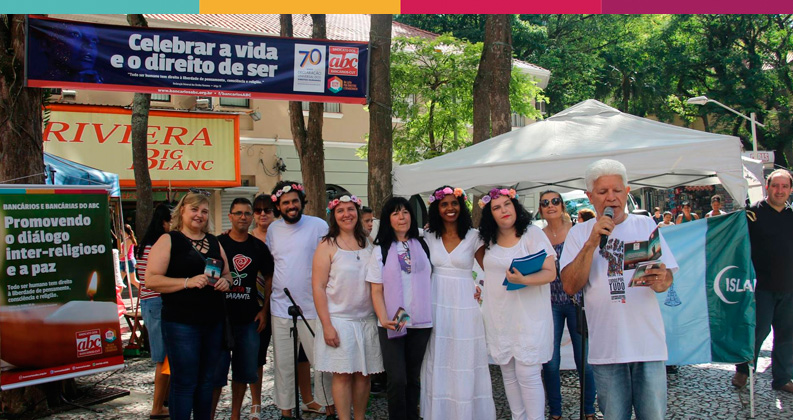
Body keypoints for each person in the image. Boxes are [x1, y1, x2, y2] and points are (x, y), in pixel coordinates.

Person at [560, 159, 678, 420]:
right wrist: (591, 242)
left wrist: (661, 279)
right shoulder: (579, 234)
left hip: (647, 345)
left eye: (616, 191)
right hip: (607, 348)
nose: (611, 198)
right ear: (590, 196)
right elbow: (569, 285)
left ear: (627, 192)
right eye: (602, 192)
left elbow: (666, 279)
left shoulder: (646, 226)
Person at [145, 191, 232, 420]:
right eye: (194, 209)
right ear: (182, 211)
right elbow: (151, 279)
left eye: (204, 211)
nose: (199, 215)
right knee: (184, 382)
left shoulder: (214, 241)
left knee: (206, 382)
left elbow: (227, 274)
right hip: (181, 323)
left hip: (213, 323)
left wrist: (226, 282)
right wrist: (186, 282)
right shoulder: (169, 240)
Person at [474, 187, 556, 420]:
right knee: (508, 374)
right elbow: (484, 268)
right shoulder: (486, 239)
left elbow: (550, 272)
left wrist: (524, 279)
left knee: (528, 373)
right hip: (499, 316)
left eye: (506, 204)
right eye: (496, 207)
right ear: (490, 213)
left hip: (529, 316)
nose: (503, 211)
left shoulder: (532, 234)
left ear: (515, 205)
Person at [420, 186, 496, 420]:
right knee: (438, 356)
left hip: (464, 305)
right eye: (444, 204)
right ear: (437, 208)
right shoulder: (428, 236)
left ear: (461, 206)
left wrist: (481, 288)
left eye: (454, 203)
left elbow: (490, 269)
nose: (450, 208)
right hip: (436, 302)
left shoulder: (474, 236)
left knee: (464, 356)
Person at [266, 181, 334, 419]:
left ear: (302, 201)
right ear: (279, 206)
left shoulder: (318, 225)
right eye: (286, 203)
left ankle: (330, 408)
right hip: (281, 307)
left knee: (323, 363)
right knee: (284, 365)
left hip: (314, 307)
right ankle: (286, 411)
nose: (291, 206)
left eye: (295, 201)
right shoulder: (273, 230)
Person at [313, 194, 383, 420]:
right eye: (340, 210)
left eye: (350, 209)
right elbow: (318, 287)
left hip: (367, 320)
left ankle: (360, 417)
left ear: (357, 211)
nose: (347, 214)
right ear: (334, 215)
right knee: (342, 375)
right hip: (339, 321)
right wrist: (327, 325)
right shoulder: (327, 245)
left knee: (364, 376)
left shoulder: (369, 243)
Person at [366, 197, 432, 420]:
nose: (402, 217)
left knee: (413, 378)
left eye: (405, 212)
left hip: (420, 321)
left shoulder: (423, 244)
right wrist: (383, 319)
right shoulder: (380, 250)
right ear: (388, 219)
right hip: (394, 320)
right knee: (397, 379)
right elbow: (376, 290)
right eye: (395, 213)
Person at [211, 198, 274, 420]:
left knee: (243, 372)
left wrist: (264, 311)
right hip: (219, 319)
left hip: (249, 320)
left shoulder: (259, 247)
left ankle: (235, 414)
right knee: (216, 373)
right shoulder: (217, 243)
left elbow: (268, 280)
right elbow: (210, 277)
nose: (243, 217)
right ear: (230, 216)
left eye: (247, 213)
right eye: (238, 213)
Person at [537, 190, 597, 420]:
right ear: (541, 209)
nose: (550, 205)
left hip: (577, 301)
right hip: (549, 303)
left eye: (555, 201)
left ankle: (589, 410)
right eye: (545, 203)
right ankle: (555, 412)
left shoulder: (576, 232)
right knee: (550, 362)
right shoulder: (538, 235)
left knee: (585, 361)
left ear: (562, 206)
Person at [733, 169, 793, 393]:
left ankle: (782, 378)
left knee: (787, 335)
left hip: (789, 287)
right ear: (767, 187)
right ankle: (743, 369)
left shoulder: (791, 215)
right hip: (761, 287)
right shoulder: (752, 215)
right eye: (775, 186)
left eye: (784, 186)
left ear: (790, 190)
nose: (780, 191)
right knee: (757, 331)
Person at [136, 204, 172, 420]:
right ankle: (157, 407)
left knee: (166, 357)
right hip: (157, 302)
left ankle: (165, 401)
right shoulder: (157, 246)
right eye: (172, 221)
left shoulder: (144, 245)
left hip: (149, 303)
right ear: (163, 222)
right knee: (163, 358)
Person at [249, 194, 276, 420]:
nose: (263, 214)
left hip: (287, 302)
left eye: (267, 209)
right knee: (256, 356)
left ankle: (300, 397)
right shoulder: (248, 240)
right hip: (258, 304)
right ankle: (256, 402)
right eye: (258, 210)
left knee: (297, 356)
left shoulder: (282, 236)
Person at [120, 224, 139, 288]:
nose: (120, 232)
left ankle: (143, 290)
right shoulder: (125, 240)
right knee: (120, 281)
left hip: (128, 261)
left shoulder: (128, 240)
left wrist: (115, 258)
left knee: (133, 280)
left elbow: (125, 253)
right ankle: (118, 296)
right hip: (123, 261)